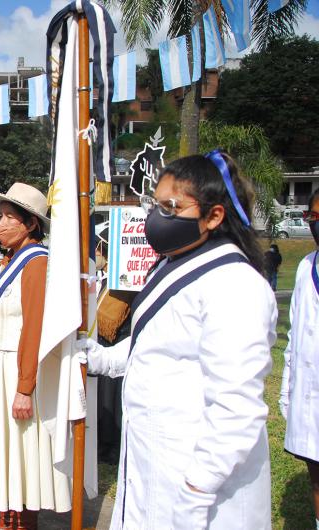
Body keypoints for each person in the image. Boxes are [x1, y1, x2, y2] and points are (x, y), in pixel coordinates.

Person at [81, 152, 276, 529]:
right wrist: (101, 359)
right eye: (157, 205)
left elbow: (237, 407)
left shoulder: (235, 285)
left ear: (214, 216)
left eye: (171, 207)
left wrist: (198, 488)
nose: (158, 217)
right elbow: (152, 344)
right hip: (156, 463)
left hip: (199, 481)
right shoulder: (173, 264)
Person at [0, 183, 62, 530]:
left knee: (22, 446)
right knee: (4, 446)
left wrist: (25, 386)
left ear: (31, 224)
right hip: (0, 366)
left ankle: (23, 516)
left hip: (19, 368)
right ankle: (6, 511)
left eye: (10, 217)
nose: (0, 225)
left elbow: (34, 326)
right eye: (0, 217)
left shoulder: (36, 262)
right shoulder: (8, 263)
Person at [280, 188, 319, 530]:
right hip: (310, 394)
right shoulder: (306, 267)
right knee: (316, 472)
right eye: (314, 218)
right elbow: (294, 334)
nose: (317, 224)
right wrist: (286, 391)